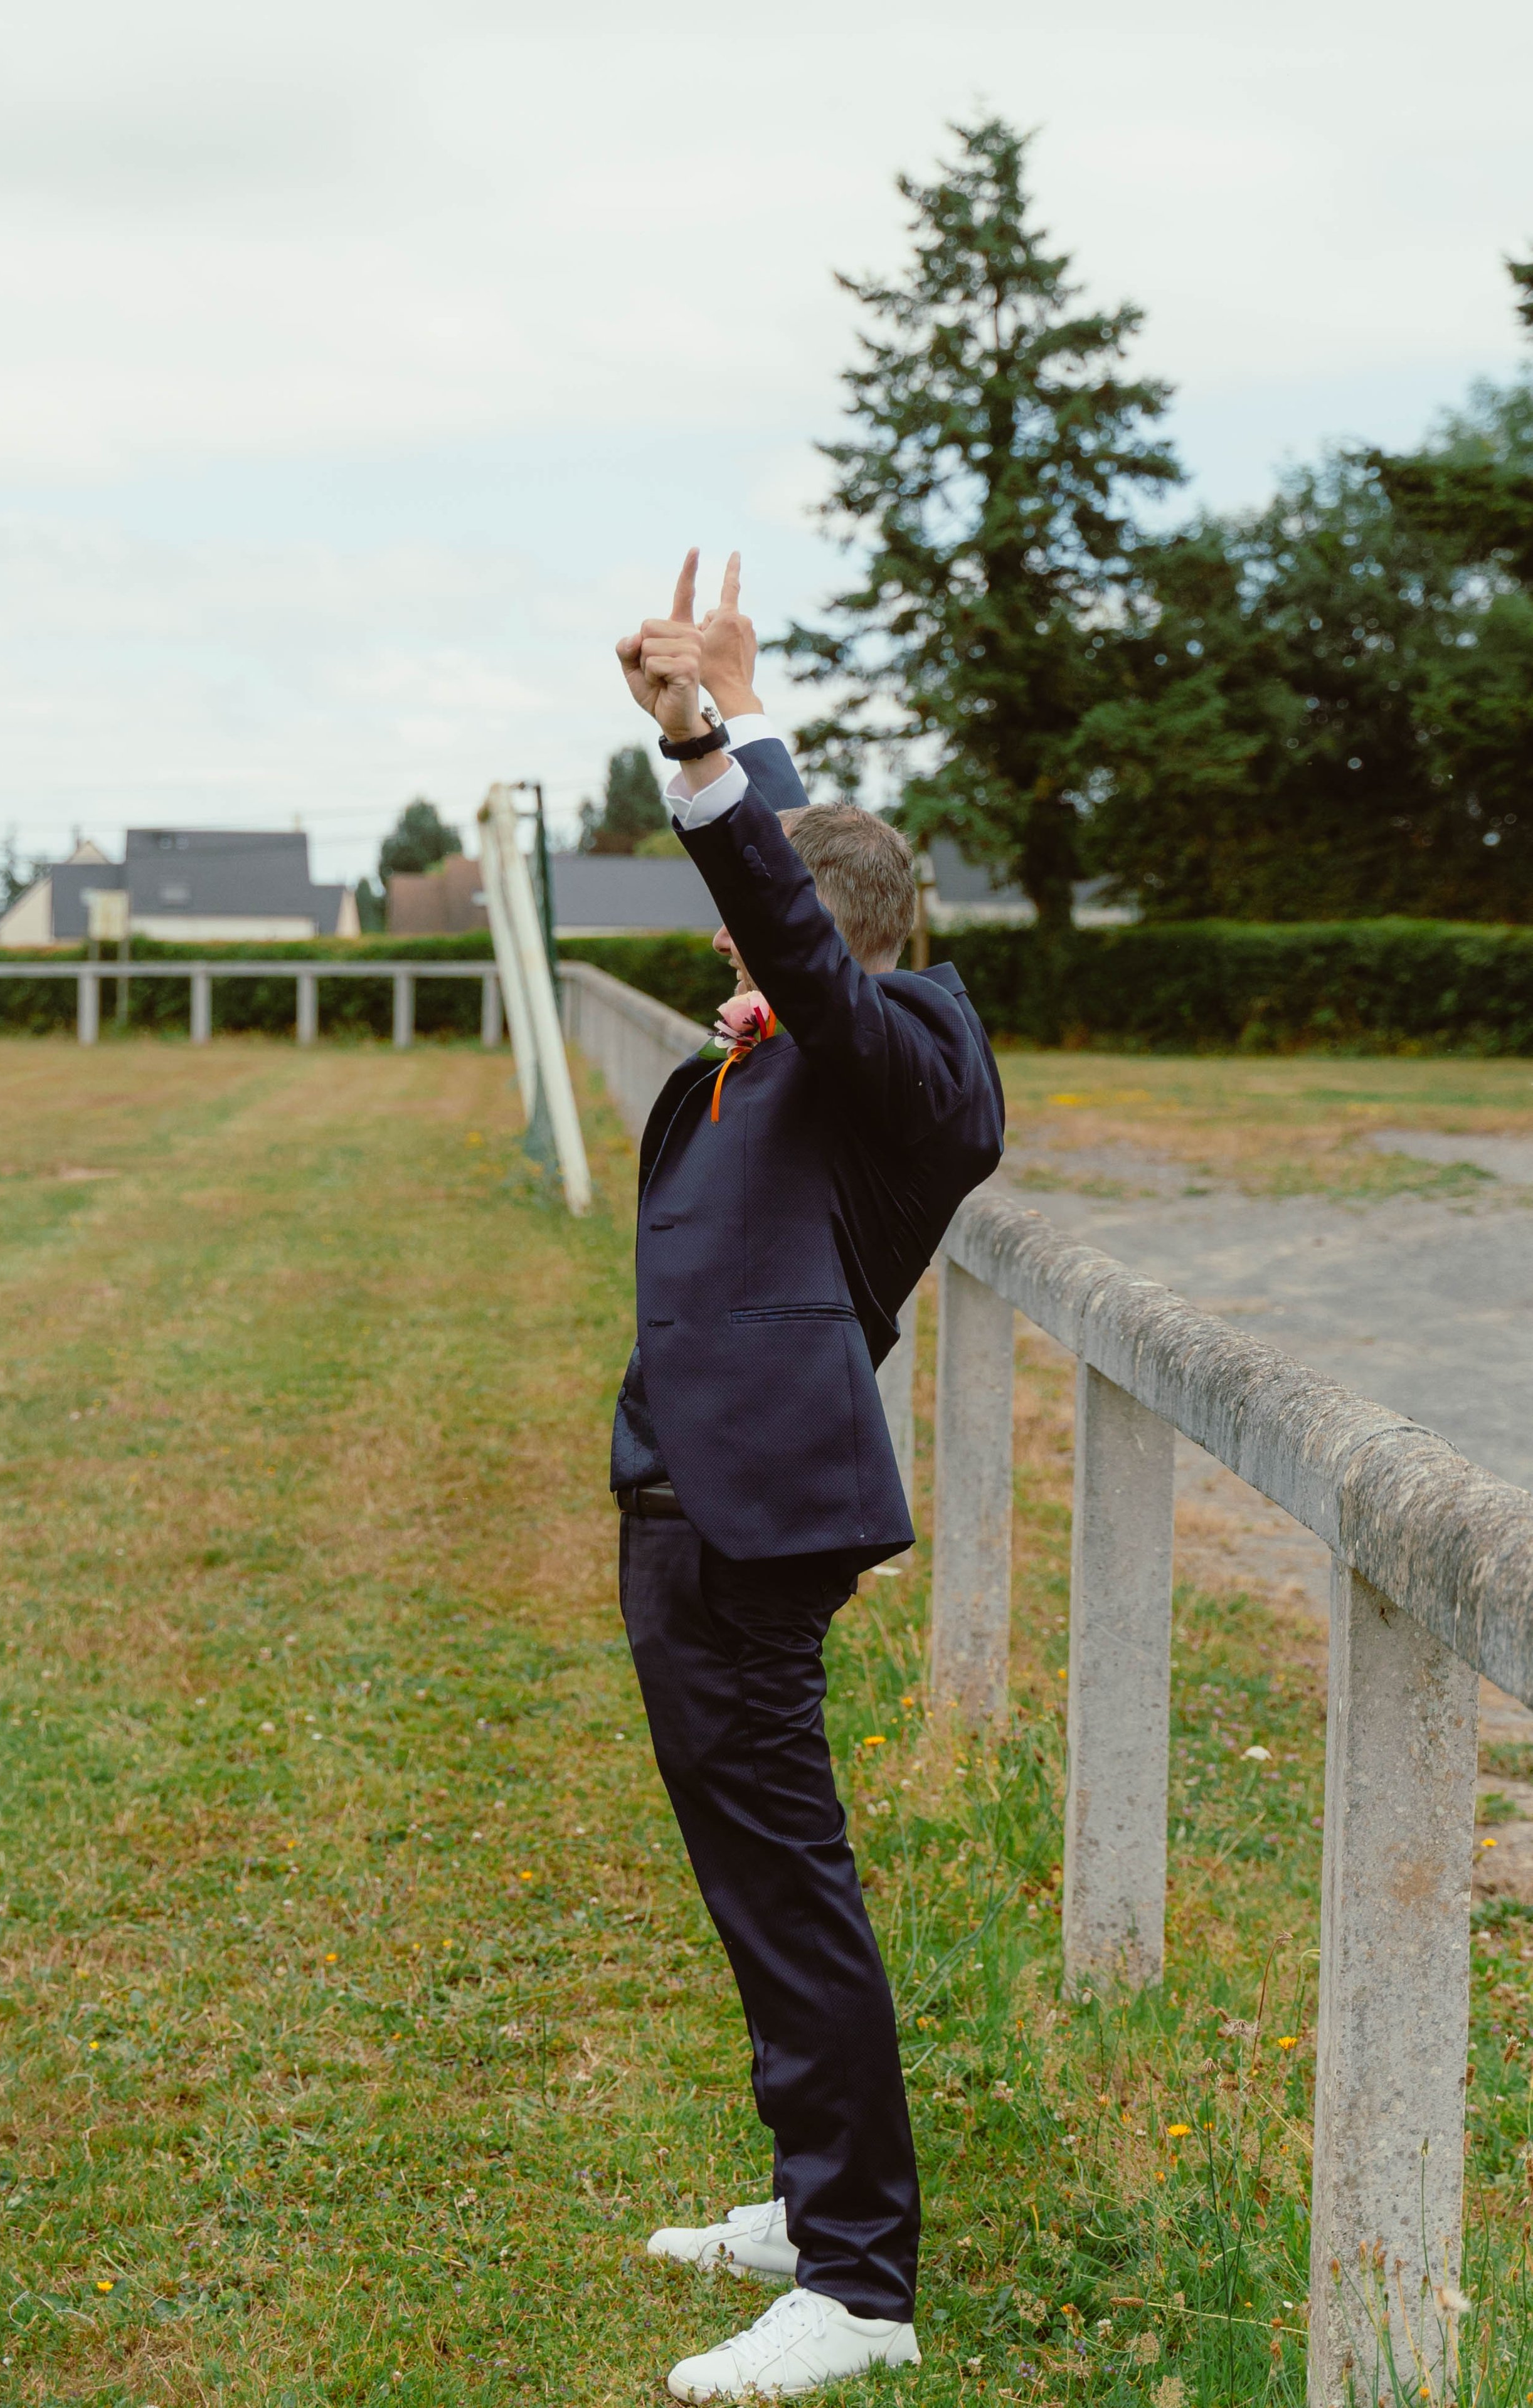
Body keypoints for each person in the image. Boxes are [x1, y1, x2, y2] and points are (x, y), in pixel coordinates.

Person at [610, 551, 1006, 2401]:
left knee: (791, 1883)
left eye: (750, 943)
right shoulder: (803, 1048)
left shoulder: (911, 1053)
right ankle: (812, 2188)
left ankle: (858, 2282)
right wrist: (753, 722)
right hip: (683, 1517)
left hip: (757, 1531)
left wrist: (705, 741)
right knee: (751, 1878)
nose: (725, 968)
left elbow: (800, 944)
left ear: (807, 946)